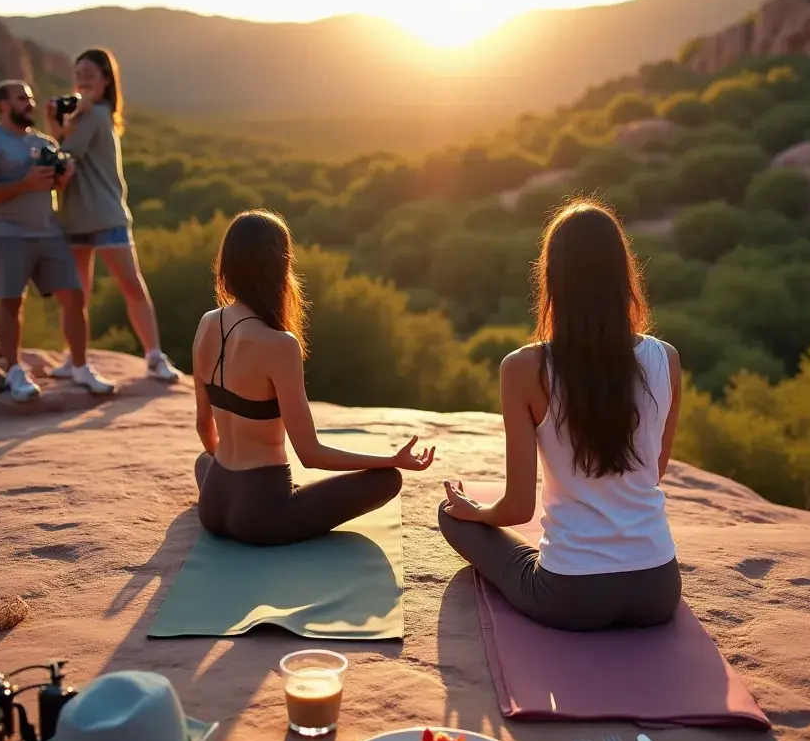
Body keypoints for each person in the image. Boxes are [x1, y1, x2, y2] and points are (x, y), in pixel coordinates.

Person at [438, 200, 683, 632]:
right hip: (658, 588)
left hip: (571, 596)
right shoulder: (666, 359)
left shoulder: (523, 368)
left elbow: (516, 508)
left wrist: (477, 511)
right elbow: (654, 472)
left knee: (449, 514)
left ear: (553, 278)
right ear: (623, 275)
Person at [193, 209, 435, 545]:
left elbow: (204, 424)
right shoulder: (279, 344)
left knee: (205, 460)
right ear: (280, 267)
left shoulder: (208, 323)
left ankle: (226, 490)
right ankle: (271, 501)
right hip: (261, 514)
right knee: (387, 480)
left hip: (213, 505)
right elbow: (311, 453)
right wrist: (390, 459)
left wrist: (225, 476)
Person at [0, 81, 115, 402]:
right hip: (7, 232)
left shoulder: (44, 142)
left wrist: (62, 177)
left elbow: (53, 187)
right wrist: (24, 182)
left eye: (30, 98)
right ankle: (15, 371)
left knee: (74, 297)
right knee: (11, 301)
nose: (29, 104)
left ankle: (79, 366)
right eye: (21, 98)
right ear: (3, 104)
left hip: (48, 231)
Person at [45, 47, 181, 383]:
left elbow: (66, 152)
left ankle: (153, 356)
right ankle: (75, 357)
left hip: (104, 214)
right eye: (78, 75)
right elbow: (63, 157)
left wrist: (55, 124)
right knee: (79, 295)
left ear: (107, 80)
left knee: (128, 285)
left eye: (90, 75)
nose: (82, 82)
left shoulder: (96, 114)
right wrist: (60, 123)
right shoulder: (82, 115)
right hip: (78, 215)